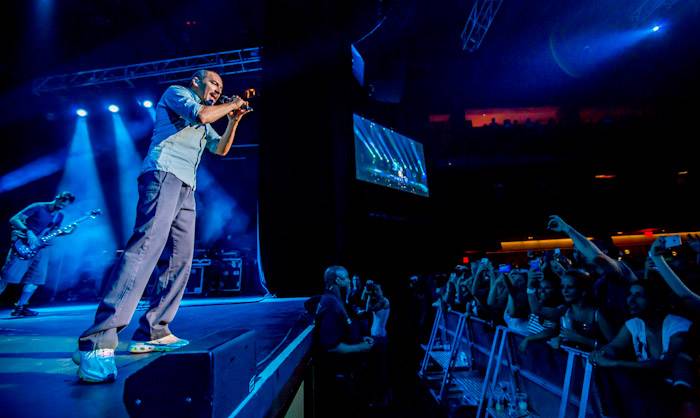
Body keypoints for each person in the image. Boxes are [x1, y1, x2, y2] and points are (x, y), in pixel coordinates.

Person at [75, 70, 251, 383]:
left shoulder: (207, 118)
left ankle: (154, 330)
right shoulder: (178, 93)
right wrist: (233, 103)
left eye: (221, 87)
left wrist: (234, 120)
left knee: (181, 259)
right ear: (196, 81)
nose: (218, 89)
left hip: (186, 185)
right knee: (145, 249)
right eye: (214, 83)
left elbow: (220, 149)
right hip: (163, 173)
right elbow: (203, 114)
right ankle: (98, 340)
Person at [0, 191, 76, 316]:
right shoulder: (38, 206)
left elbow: (52, 232)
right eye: (62, 202)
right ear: (57, 197)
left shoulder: (59, 216)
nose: (62, 206)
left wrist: (67, 232)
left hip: (41, 249)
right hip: (24, 245)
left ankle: (20, 308)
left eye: (65, 205)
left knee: (35, 279)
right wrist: (28, 231)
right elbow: (14, 219)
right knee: (6, 277)